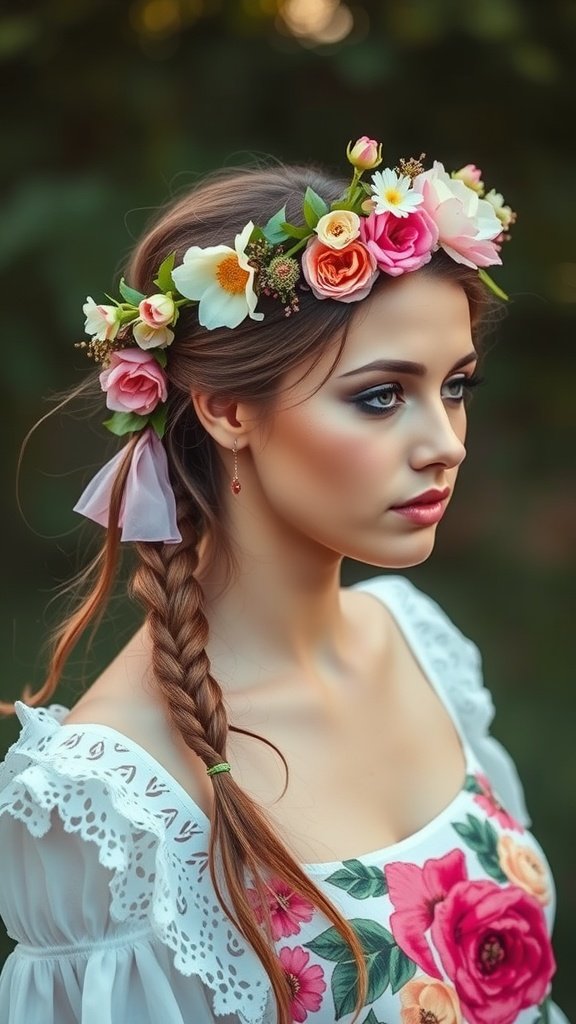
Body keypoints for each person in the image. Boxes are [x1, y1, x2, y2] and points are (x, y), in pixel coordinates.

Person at [0, 139, 568, 1024]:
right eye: (381, 395)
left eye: (455, 386)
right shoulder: (112, 802)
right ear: (227, 409)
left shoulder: (416, 639)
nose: (446, 442)